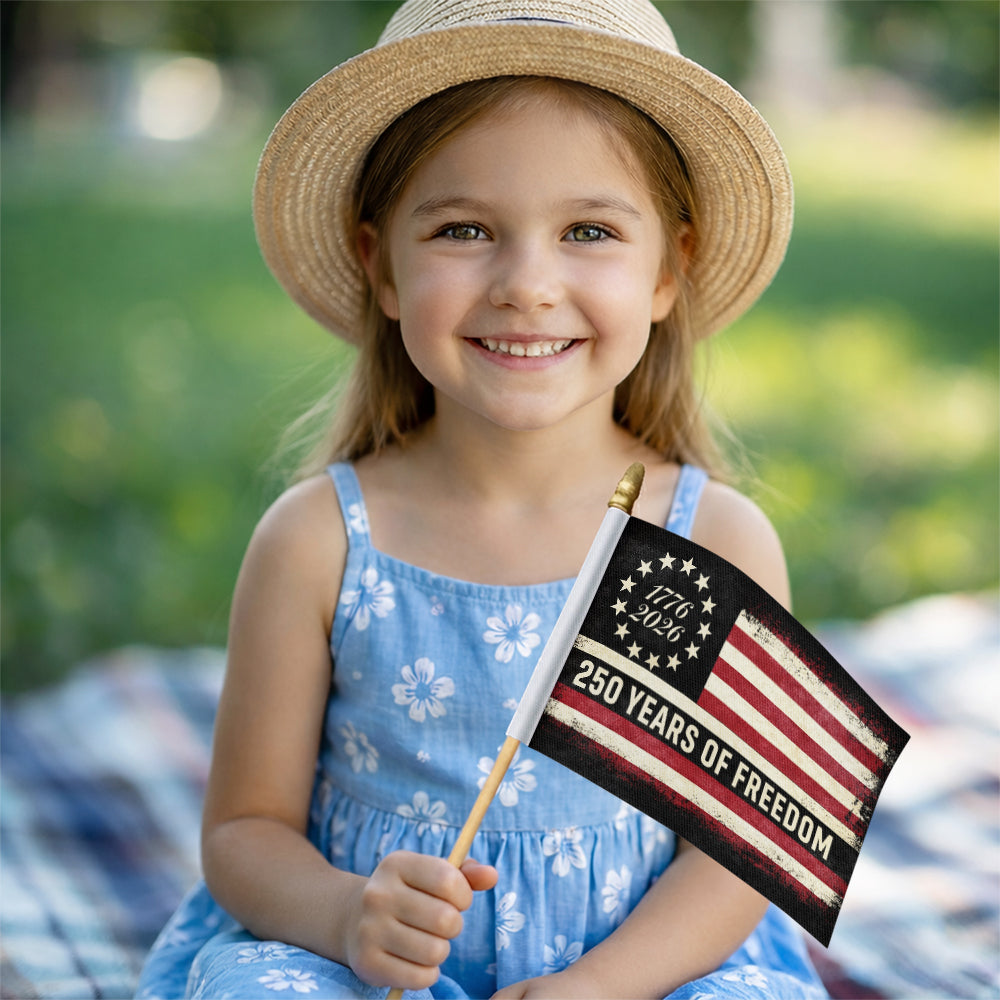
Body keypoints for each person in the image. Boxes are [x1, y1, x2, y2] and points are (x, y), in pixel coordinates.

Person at [137, 1, 828, 997]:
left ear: (669, 269)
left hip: (637, 976)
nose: (526, 284)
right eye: (464, 229)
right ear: (380, 263)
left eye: (589, 230)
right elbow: (245, 831)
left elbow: (736, 859)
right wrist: (343, 914)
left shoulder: (705, 540)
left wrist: (591, 988)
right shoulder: (323, 538)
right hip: (365, 969)